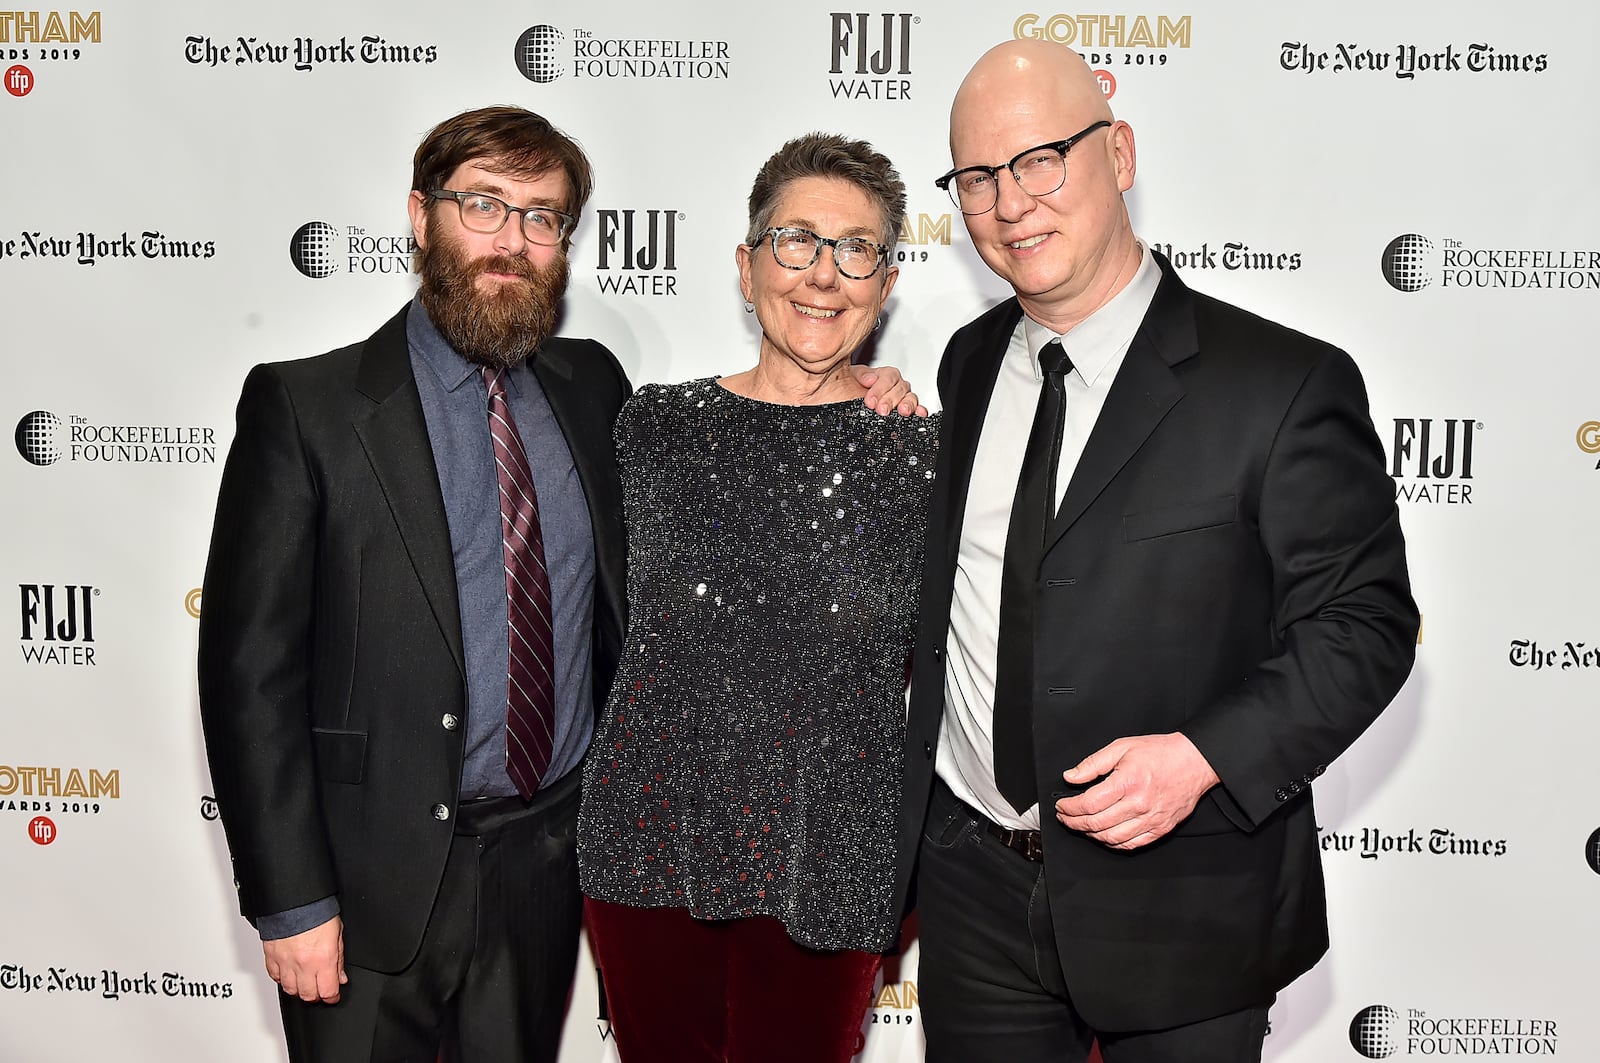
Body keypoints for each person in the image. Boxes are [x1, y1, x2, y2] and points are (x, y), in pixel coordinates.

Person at [196, 106, 917, 1063]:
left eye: (542, 218)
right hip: (370, 889)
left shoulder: (597, 393)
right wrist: (292, 899)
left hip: (548, 870)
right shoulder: (307, 406)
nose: (513, 240)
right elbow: (248, 674)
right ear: (421, 217)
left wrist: (875, 392)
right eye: (484, 206)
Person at [890, 40, 1418, 1063]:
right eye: (978, 178)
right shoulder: (965, 362)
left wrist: (1205, 755)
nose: (1010, 203)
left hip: (1181, 898)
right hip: (970, 892)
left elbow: (1365, 626)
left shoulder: (1280, 385)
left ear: (1118, 154)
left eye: (1041, 158)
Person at [577, 133, 937, 1063]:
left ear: (885, 283)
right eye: (795, 242)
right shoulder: (651, 428)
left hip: (835, 852)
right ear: (747, 267)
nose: (824, 274)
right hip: (649, 843)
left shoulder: (923, 457)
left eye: (856, 249)